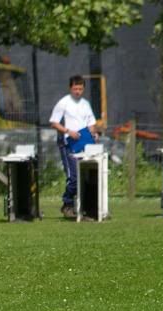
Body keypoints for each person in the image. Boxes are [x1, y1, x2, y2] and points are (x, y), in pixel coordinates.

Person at [49, 75, 98, 219]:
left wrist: (94, 133)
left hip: (84, 143)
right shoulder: (63, 103)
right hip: (68, 143)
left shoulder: (85, 104)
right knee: (73, 177)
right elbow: (54, 122)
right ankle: (67, 204)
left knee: (88, 175)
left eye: (80, 89)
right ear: (70, 88)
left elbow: (91, 123)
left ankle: (90, 207)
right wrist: (68, 131)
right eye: (75, 88)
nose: (78, 91)